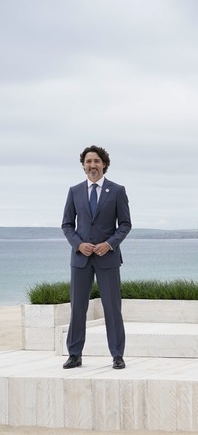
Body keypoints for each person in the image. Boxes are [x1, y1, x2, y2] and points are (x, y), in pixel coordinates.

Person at [61, 145, 132, 370]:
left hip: (107, 259)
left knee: (112, 308)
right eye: (89, 161)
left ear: (104, 164)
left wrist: (109, 245)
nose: (93, 165)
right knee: (78, 308)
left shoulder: (118, 191)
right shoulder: (74, 191)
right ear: (83, 165)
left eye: (97, 161)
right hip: (80, 259)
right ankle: (74, 354)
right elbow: (67, 224)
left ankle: (117, 355)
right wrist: (78, 244)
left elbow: (125, 225)